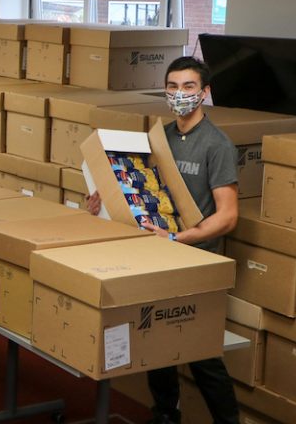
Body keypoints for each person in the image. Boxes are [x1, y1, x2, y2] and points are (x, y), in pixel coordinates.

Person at [87, 56, 239, 424]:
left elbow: (228, 216)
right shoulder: (161, 138)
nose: (179, 94)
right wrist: (103, 200)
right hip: (157, 251)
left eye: (188, 87)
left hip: (196, 260)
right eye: (172, 86)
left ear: (204, 93)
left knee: (201, 353)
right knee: (154, 338)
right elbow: (144, 191)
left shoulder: (216, 145)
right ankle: (166, 414)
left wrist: (178, 237)